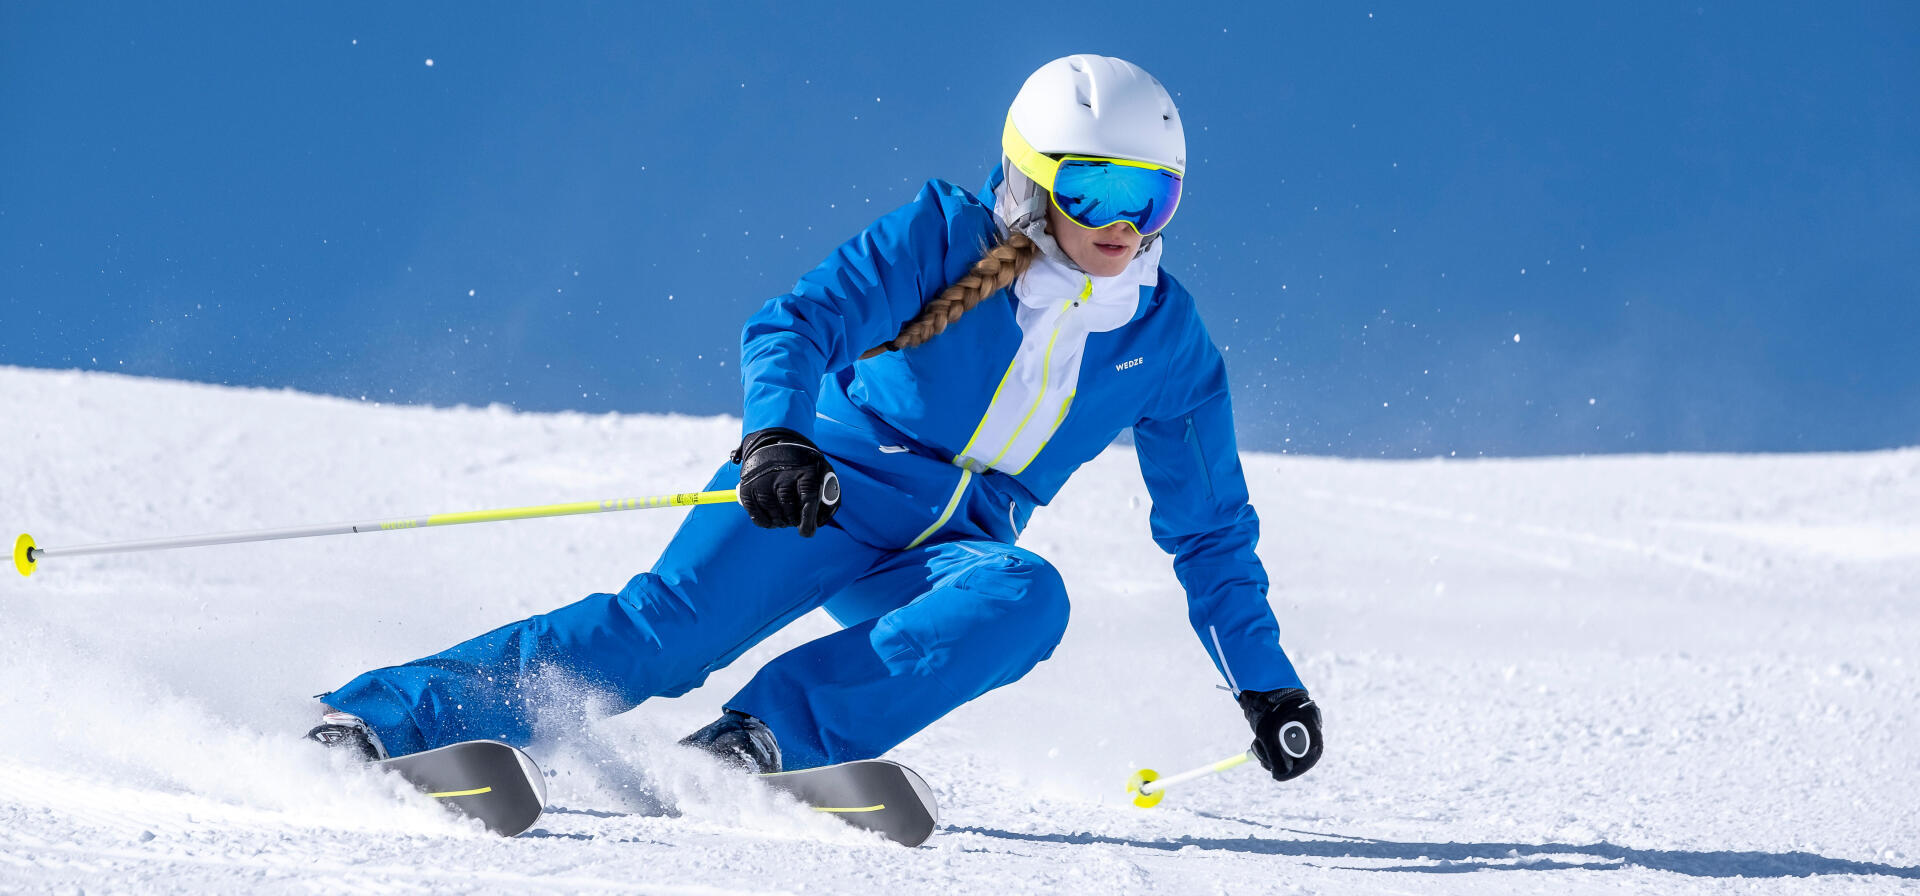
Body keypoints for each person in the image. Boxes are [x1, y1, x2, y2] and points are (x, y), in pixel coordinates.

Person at [309, 55, 1323, 785]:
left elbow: (1210, 527)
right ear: (1033, 178)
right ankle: (381, 717)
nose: (1121, 228)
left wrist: (1265, 685)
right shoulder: (945, 239)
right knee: (657, 639)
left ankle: (758, 744)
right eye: (1099, 188)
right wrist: (778, 436)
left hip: (951, 547)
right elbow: (796, 321)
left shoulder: (1166, 339)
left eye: (1153, 200)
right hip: (822, 488)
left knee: (1027, 597)